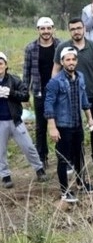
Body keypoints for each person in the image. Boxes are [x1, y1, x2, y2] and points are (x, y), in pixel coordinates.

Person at [53, 17, 93, 168]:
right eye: (72, 29)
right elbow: (56, 69)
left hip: (92, 92)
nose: (76, 31)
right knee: (71, 128)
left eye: (78, 28)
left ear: (84, 28)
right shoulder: (63, 48)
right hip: (69, 95)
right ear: (69, 31)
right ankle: (70, 159)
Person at [44, 47, 93, 202]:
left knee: (79, 155)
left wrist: (90, 118)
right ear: (62, 61)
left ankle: (80, 183)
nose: (71, 62)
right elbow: (49, 105)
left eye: (73, 59)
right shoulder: (55, 82)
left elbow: (84, 100)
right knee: (63, 159)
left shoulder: (80, 77)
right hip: (63, 126)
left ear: (76, 61)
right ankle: (65, 191)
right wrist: (52, 127)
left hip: (77, 125)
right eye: (68, 59)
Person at [0, 51, 47, 189]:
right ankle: (5, 176)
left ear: (6, 65)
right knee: (0, 151)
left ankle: (39, 169)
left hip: (16, 121)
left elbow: (25, 95)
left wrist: (10, 93)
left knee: (29, 147)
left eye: (1, 63)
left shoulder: (14, 80)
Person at [25, 16, 60, 170]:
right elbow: (26, 73)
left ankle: (62, 156)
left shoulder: (61, 45)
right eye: (42, 28)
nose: (46, 31)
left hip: (58, 92)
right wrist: (25, 93)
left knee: (60, 124)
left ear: (53, 29)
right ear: (38, 30)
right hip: (39, 92)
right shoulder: (31, 48)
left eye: (48, 28)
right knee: (41, 127)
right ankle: (42, 157)